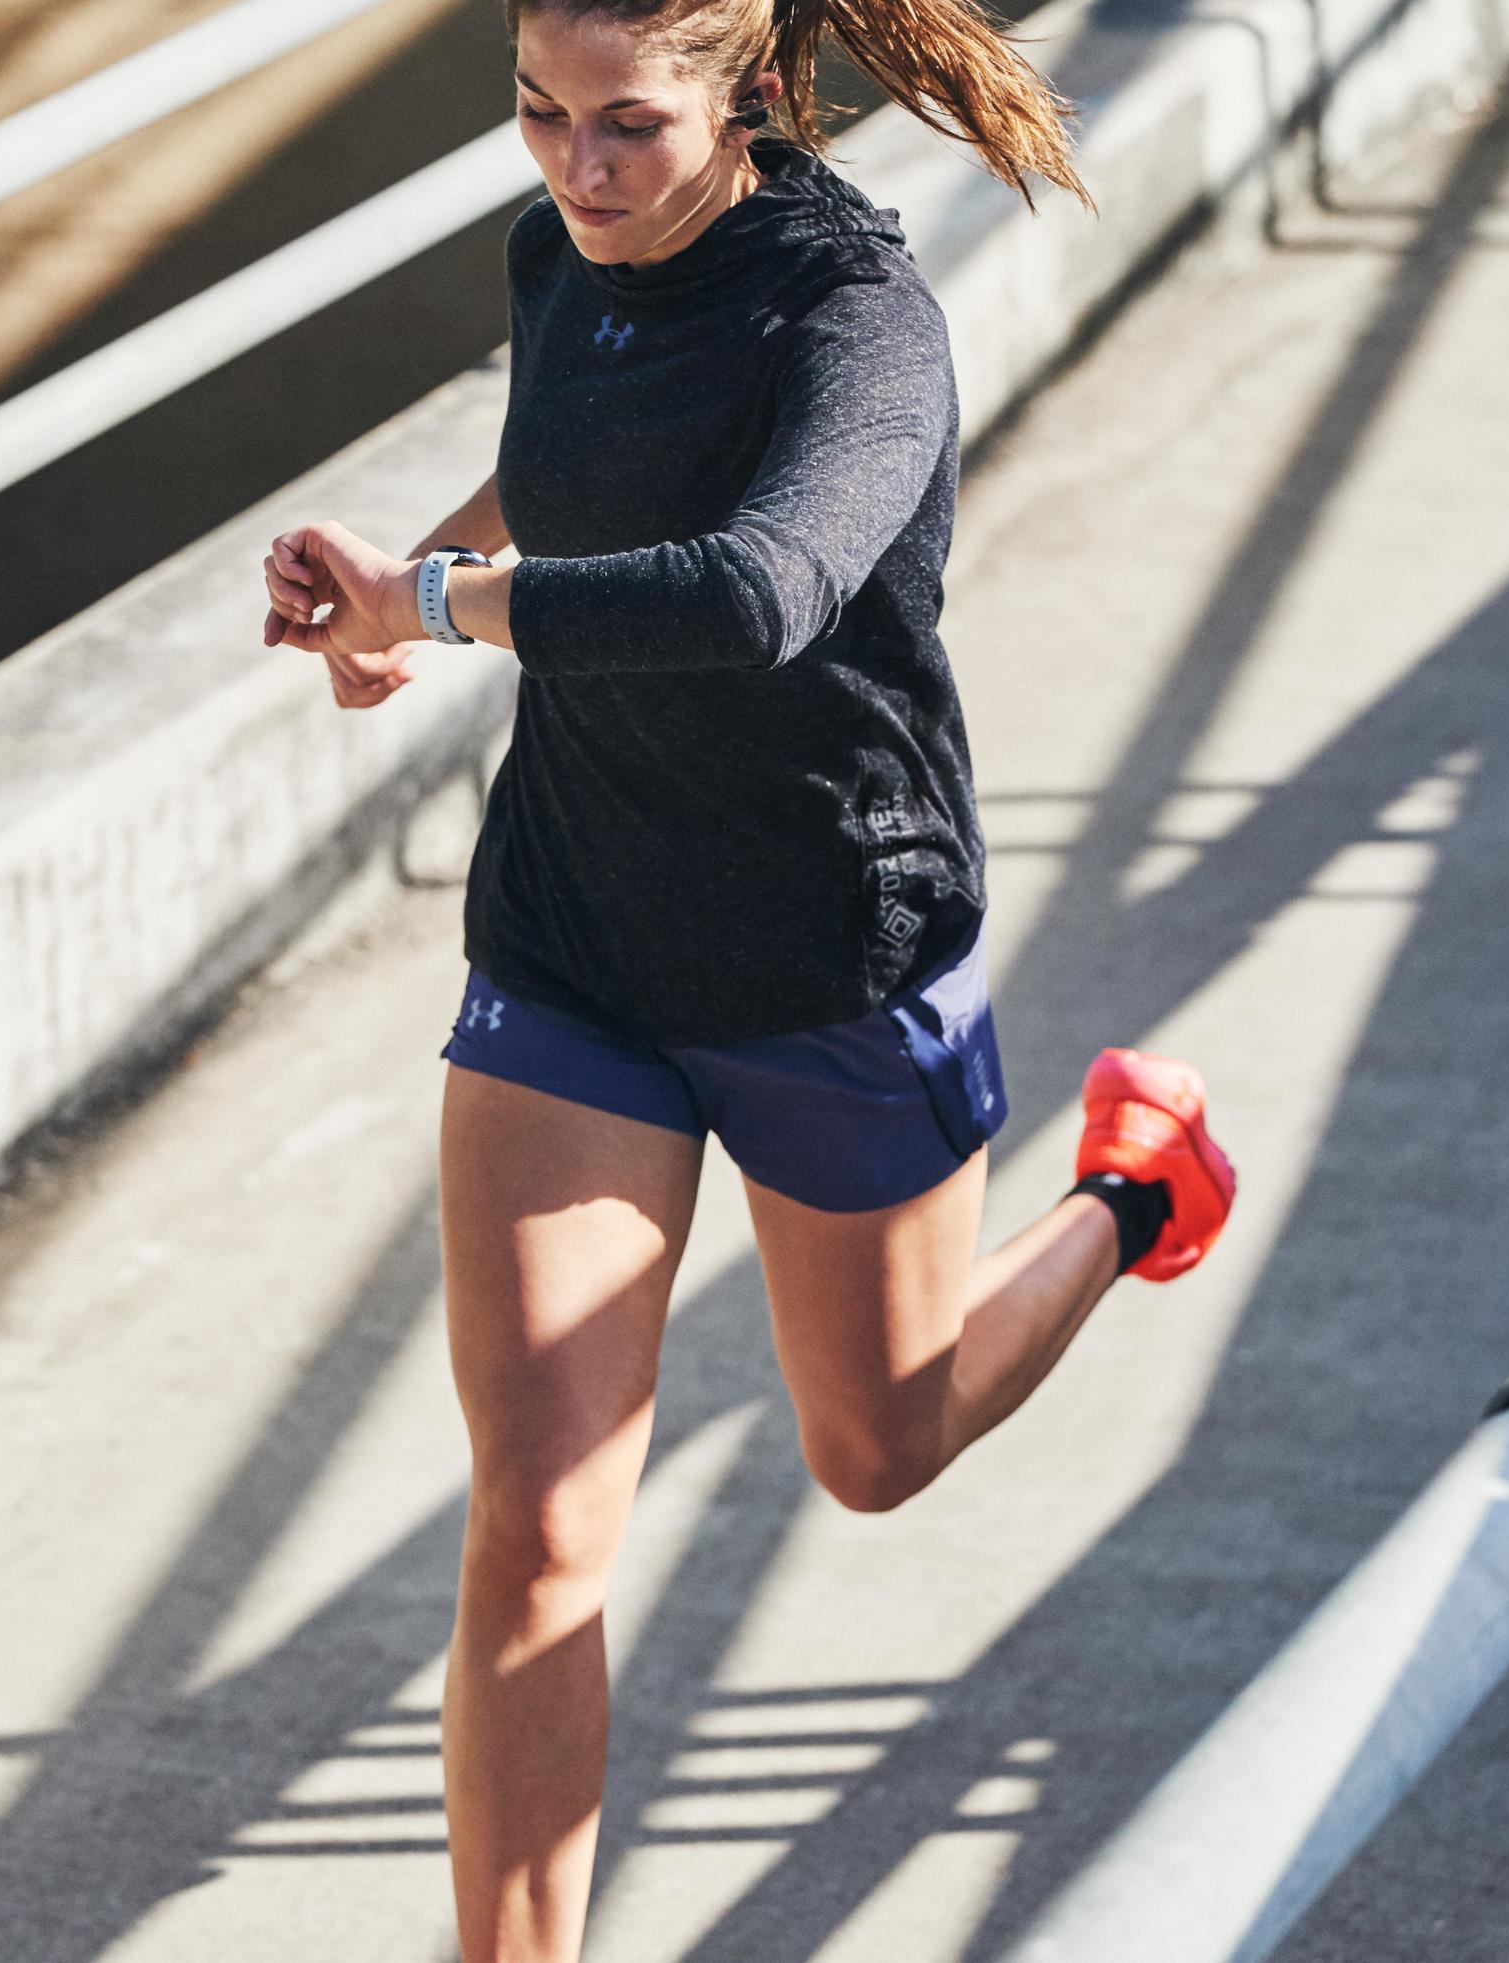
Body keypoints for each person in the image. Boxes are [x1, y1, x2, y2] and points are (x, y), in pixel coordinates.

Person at [257, 0, 1234, 1953]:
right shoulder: (563, 253)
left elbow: (759, 587)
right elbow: (567, 465)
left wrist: (447, 610)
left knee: (875, 1447)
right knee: (539, 1529)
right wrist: (399, 596)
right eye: (539, 115)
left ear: (760, 94)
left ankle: (1139, 1192)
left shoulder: (855, 322)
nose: (577, 171)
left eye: (627, 126)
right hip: (579, 936)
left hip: (830, 945)